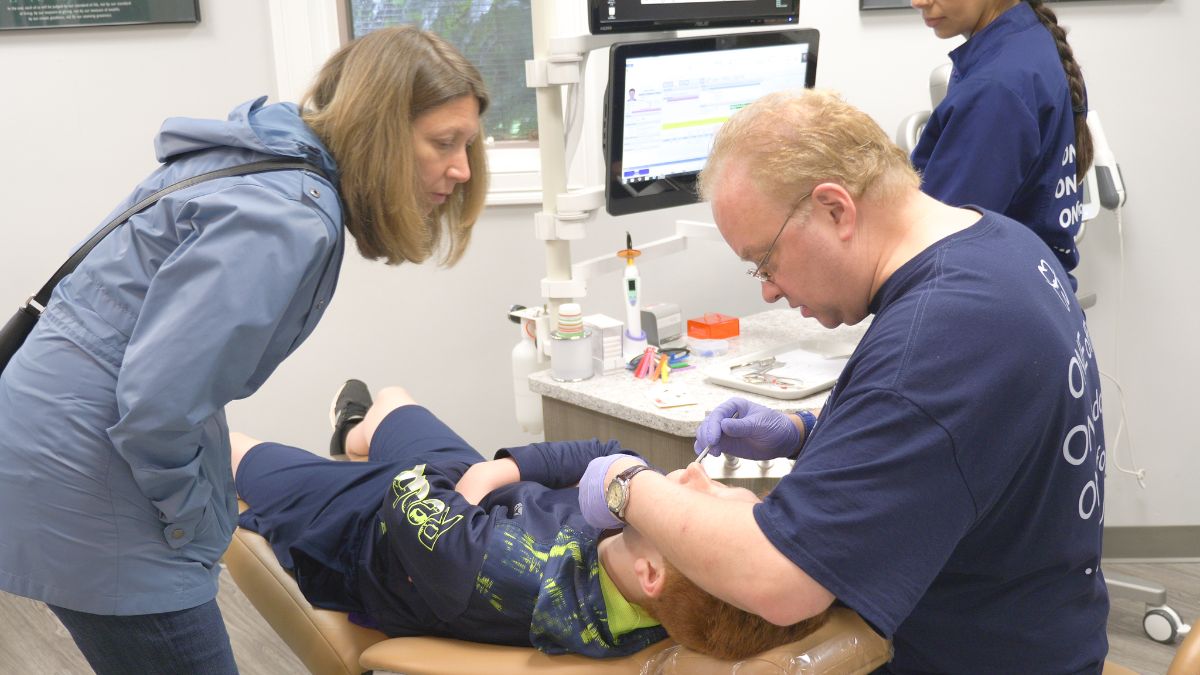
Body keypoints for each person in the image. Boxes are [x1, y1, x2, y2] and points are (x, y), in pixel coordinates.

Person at [0, 26, 488, 675]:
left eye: (468, 145)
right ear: (380, 134)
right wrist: (190, 519)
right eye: (443, 143)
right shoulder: (288, 217)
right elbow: (155, 404)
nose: (460, 168)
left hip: (49, 434)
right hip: (91, 467)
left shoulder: (265, 160)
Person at [578, 89, 1109, 673]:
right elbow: (962, 440)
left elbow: (777, 579)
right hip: (1051, 626)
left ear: (836, 209)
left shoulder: (937, 336)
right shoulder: (1001, 245)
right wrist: (804, 430)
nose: (768, 289)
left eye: (766, 260)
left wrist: (627, 486)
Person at [233, 381, 829, 659]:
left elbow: (406, 495)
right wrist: (498, 474)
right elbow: (609, 453)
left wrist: (467, 491)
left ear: (652, 573)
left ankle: (314, 469)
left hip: (373, 530)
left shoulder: (503, 572)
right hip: (469, 502)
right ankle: (353, 432)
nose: (696, 476)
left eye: (699, 505)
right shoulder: (645, 568)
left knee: (233, 452)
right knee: (392, 399)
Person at [909, 0, 1093, 289]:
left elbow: (935, 245)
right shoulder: (1029, 43)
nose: (917, 1)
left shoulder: (995, 87)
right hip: (1039, 294)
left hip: (1000, 303)